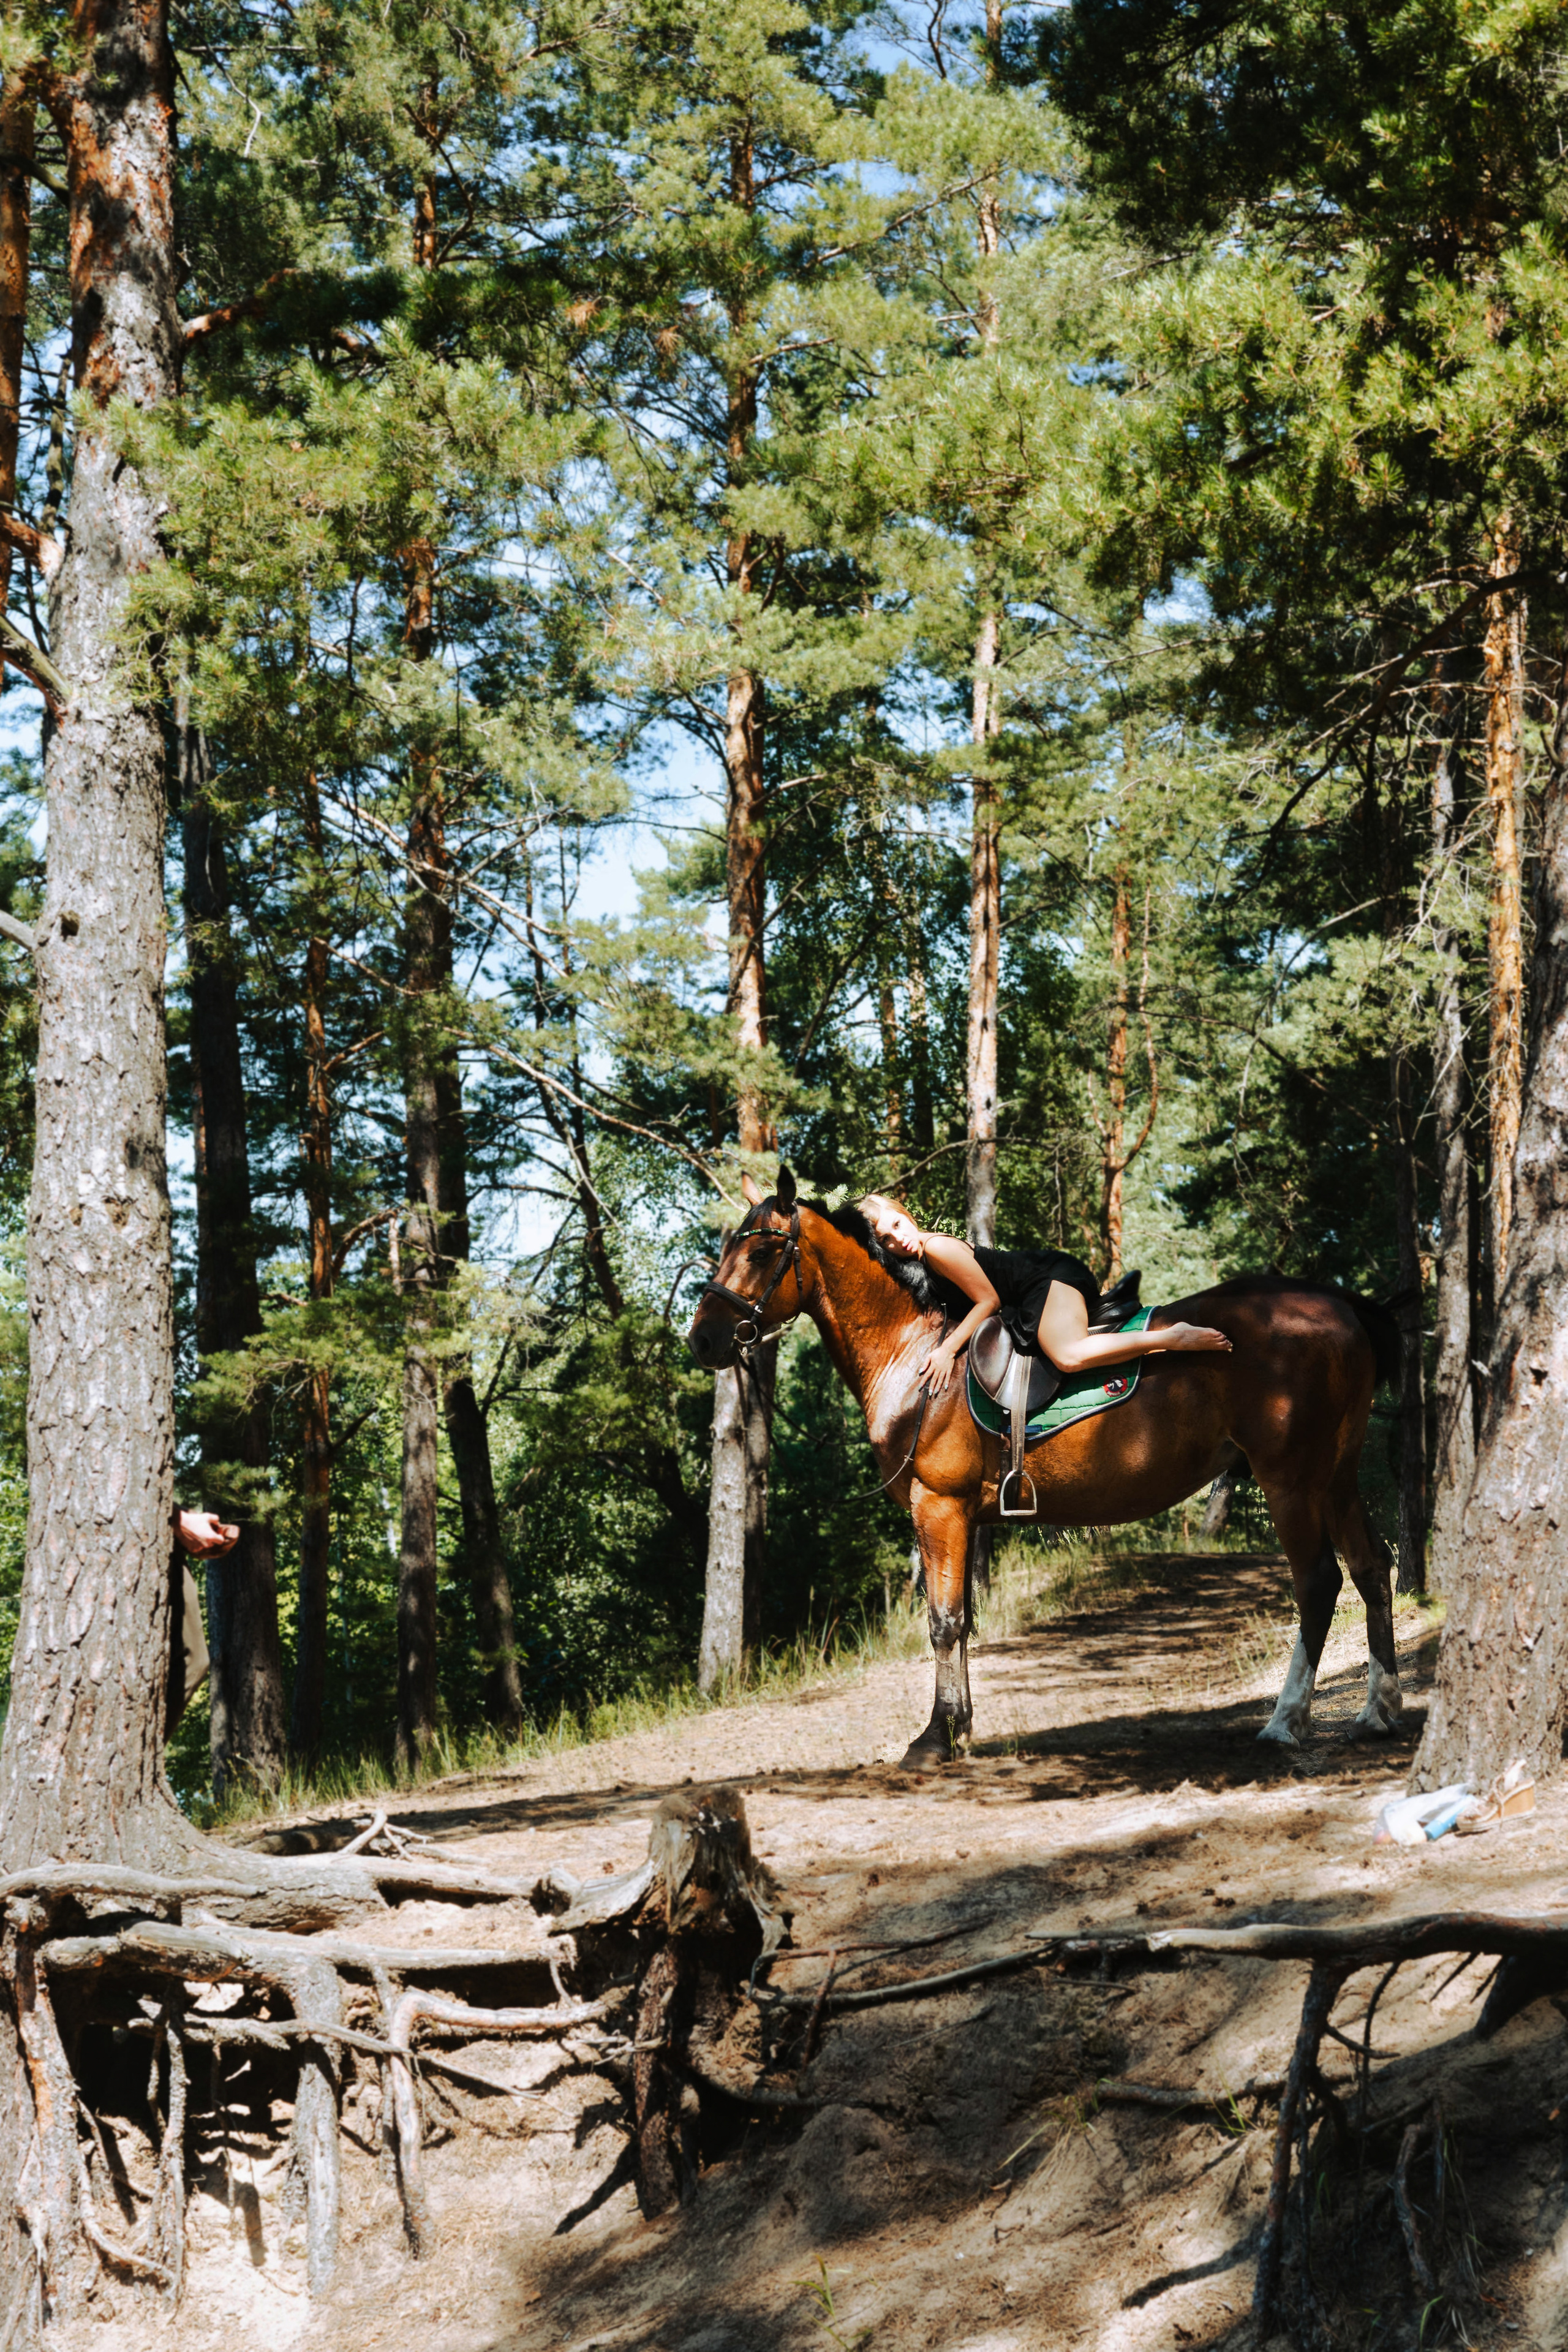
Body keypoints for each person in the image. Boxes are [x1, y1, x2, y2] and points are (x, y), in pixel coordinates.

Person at [858, 1194, 1232, 1396]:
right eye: (886, 1240)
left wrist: (946, 1350)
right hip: (1036, 1288)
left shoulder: (936, 1249)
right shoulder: (923, 1261)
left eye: (896, 1223)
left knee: (1068, 1356)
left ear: (904, 1213)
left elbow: (988, 1301)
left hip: (1045, 1279)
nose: (898, 1238)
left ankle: (1172, 1337)